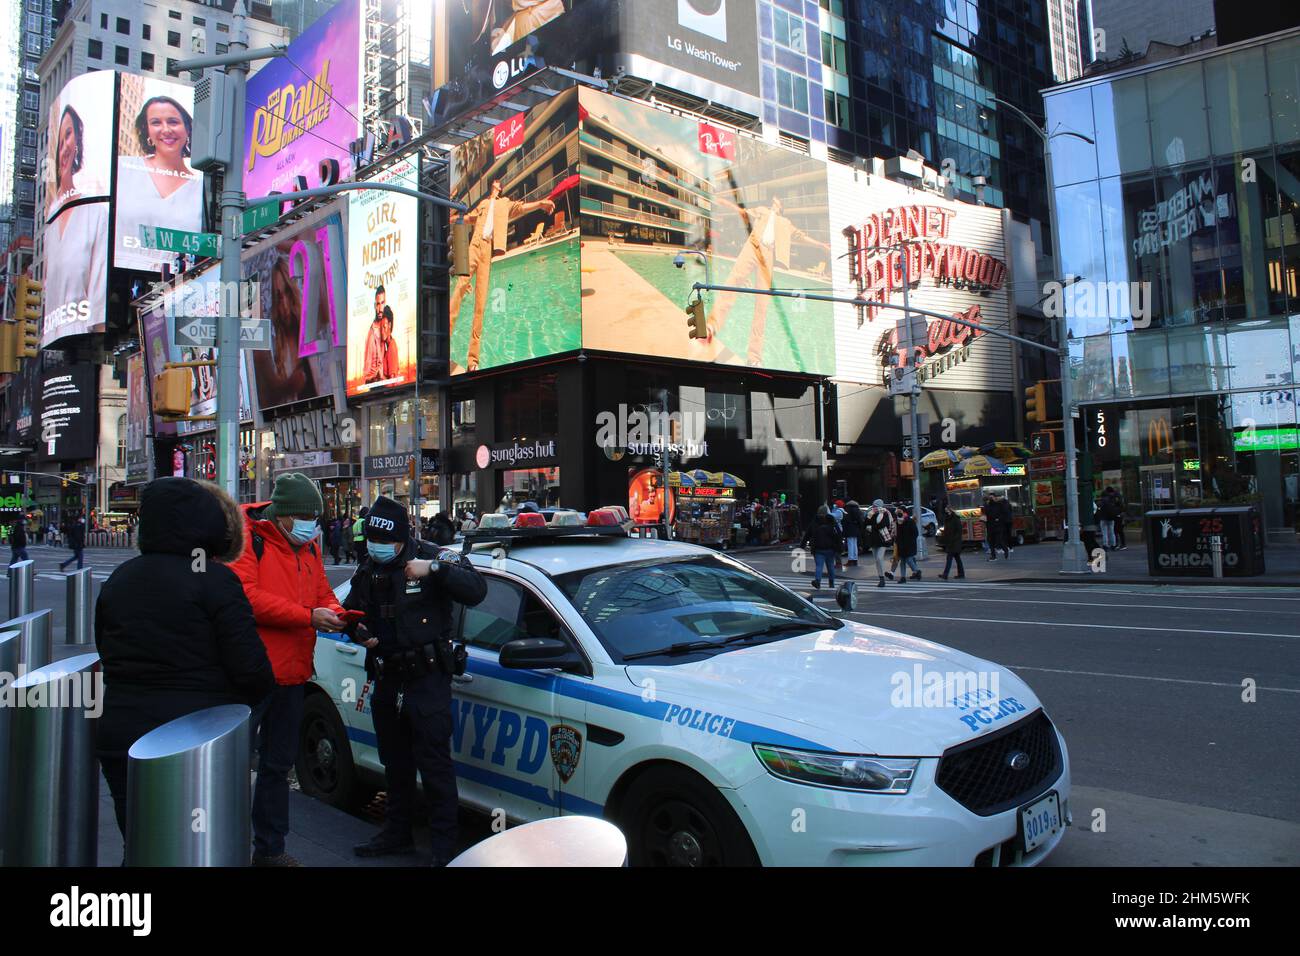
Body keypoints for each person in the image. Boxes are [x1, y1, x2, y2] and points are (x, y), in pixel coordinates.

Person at [95, 477, 275, 844]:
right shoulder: (215, 579)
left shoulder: (120, 578)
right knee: (197, 843)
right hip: (197, 735)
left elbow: (106, 648)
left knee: (142, 840)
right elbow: (250, 666)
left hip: (123, 729)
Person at [344, 496, 487, 866]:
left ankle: (443, 848)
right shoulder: (369, 568)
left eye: (386, 542)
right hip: (387, 677)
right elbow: (353, 614)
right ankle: (397, 834)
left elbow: (476, 589)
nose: (378, 547)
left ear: (403, 538)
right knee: (396, 763)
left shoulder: (432, 556)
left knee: (435, 766)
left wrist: (435, 569)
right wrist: (357, 631)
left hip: (426, 681)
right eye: (372, 540)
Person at [228, 473, 345, 866]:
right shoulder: (248, 539)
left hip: (294, 674)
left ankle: (270, 850)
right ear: (286, 516)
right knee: (229, 766)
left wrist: (340, 614)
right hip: (254, 674)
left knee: (277, 766)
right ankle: (221, 847)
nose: (315, 526)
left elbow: (322, 592)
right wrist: (308, 617)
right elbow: (247, 597)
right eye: (308, 517)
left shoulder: (307, 546)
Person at [704, 195, 832, 365]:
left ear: (780, 206)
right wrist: (725, 203)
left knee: (762, 305)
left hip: (769, 256)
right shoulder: (762, 211)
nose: (773, 201)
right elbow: (742, 212)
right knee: (733, 282)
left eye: (776, 200)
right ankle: (712, 325)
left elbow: (801, 237)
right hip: (753, 246)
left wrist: (820, 245)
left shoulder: (785, 223)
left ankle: (754, 357)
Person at [450, 179, 556, 372]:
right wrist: (455, 219)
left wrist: (541, 203)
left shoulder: (505, 203)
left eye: (499, 183)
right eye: (495, 183)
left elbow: (523, 207)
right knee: (459, 288)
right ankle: (445, 339)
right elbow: (469, 219)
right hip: (473, 246)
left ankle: (473, 359)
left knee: (480, 305)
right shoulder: (482, 204)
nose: (496, 184)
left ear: (500, 189)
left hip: (487, 251)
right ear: (492, 187)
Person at [115, 95, 203, 270]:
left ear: (187, 129)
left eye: (173, 122)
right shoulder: (123, 168)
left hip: (182, 284)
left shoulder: (202, 186)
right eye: (156, 122)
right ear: (146, 130)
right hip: (119, 281)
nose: (166, 129)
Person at [800, 505, 842, 590]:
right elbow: (838, 534)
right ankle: (831, 583)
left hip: (818, 548)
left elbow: (808, 534)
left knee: (819, 566)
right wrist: (839, 546)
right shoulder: (832, 521)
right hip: (830, 548)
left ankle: (818, 581)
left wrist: (802, 545)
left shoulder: (815, 521)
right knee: (830, 566)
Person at [864, 499, 896, 588]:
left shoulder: (885, 513)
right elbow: (865, 523)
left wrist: (872, 527)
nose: (873, 507)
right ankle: (880, 578)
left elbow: (883, 524)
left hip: (883, 538)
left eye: (874, 505)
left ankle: (882, 579)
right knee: (876, 560)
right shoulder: (870, 513)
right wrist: (871, 526)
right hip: (873, 539)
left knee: (879, 558)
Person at [938, 506, 966, 580]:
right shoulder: (948, 519)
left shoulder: (955, 519)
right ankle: (961, 574)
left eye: (947, 510)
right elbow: (947, 530)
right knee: (957, 558)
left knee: (949, 558)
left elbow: (959, 531)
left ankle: (945, 574)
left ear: (950, 510)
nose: (946, 512)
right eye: (945, 510)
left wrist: (953, 539)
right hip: (951, 542)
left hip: (954, 542)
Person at [894, 508, 921, 582]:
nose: (898, 513)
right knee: (902, 561)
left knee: (909, 559)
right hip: (901, 544)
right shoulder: (898, 521)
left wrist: (910, 541)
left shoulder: (910, 521)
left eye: (900, 511)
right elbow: (897, 533)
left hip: (909, 545)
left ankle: (917, 571)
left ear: (905, 513)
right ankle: (903, 577)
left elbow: (915, 533)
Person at [841, 500, 863, 566]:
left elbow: (845, 520)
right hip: (856, 529)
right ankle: (855, 560)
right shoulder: (858, 510)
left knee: (850, 545)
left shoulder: (847, 509)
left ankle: (850, 560)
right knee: (854, 544)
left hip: (849, 529)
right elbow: (860, 521)